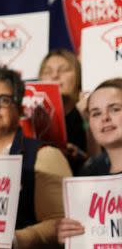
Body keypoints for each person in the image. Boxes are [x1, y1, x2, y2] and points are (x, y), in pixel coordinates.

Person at [0, 66, 71, 249]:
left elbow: (63, 222)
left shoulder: (44, 156)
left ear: (20, 108)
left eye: (4, 99)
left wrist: (13, 240)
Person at [56, 78, 122, 244]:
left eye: (114, 109)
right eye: (96, 113)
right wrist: (69, 235)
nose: (105, 118)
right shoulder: (89, 171)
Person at [38, 49, 89, 173]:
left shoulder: (89, 111)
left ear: (78, 75)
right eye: (47, 71)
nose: (54, 76)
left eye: (64, 70)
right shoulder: (35, 118)